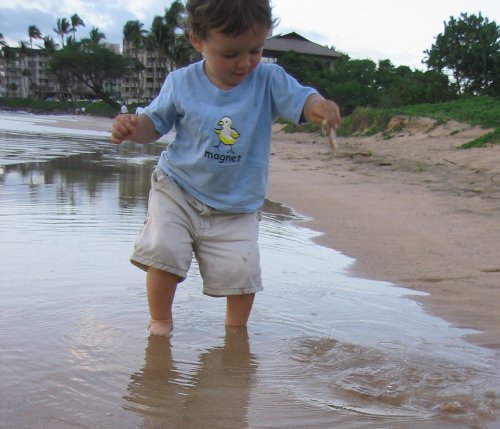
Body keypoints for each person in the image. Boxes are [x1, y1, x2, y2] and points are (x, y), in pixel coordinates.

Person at [110, 0, 340, 337]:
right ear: (198, 40)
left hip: (238, 203)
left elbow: (301, 99)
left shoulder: (269, 79)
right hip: (179, 189)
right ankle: (160, 322)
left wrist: (319, 107)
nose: (245, 63)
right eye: (231, 54)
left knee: (241, 271)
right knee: (163, 251)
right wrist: (132, 127)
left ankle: (235, 332)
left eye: (256, 50)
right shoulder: (181, 82)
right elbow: (153, 125)